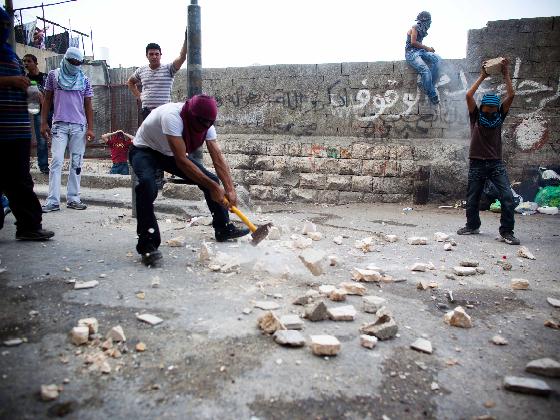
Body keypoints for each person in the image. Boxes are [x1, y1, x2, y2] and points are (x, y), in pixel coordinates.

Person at [129, 94, 249, 266]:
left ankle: (223, 229)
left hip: (167, 153)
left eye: (209, 124)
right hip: (143, 150)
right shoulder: (172, 116)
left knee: (211, 179)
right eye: (202, 124)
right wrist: (215, 187)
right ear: (192, 116)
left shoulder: (207, 124)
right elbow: (181, 161)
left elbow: (218, 158)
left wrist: (229, 189)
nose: (205, 127)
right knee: (147, 186)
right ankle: (147, 245)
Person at [0, 7, 54, 240]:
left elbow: (22, 84)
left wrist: (32, 91)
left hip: (17, 128)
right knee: (16, 179)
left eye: (6, 26)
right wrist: (12, 80)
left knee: (20, 179)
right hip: (3, 129)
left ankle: (29, 225)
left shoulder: (9, 53)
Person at [456, 58, 520, 245]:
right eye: (488, 108)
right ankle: (472, 225)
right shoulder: (475, 116)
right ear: (482, 107)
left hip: (495, 164)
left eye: (494, 108)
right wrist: (483, 76)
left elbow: (511, 95)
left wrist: (506, 74)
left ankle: (506, 231)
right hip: (476, 162)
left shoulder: (499, 116)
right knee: (473, 197)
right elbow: (468, 95)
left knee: (507, 197)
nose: (491, 111)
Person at [127, 35, 187, 189]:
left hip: (164, 115)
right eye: (151, 54)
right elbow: (130, 82)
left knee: (164, 145)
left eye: (156, 53)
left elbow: (182, 57)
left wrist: (187, 40)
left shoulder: (168, 69)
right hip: (147, 113)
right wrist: (139, 96)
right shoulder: (141, 71)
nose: (154, 56)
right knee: (148, 145)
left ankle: (162, 176)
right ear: (147, 56)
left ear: (161, 55)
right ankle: (153, 178)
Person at [40, 47, 94, 212]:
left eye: (78, 63)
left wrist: (90, 128)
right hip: (59, 126)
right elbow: (47, 99)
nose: (75, 65)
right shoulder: (53, 76)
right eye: (73, 62)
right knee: (56, 161)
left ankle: (73, 198)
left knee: (76, 163)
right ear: (67, 59)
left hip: (79, 127)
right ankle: (53, 201)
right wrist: (43, 123)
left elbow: (88, 105)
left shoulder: (84, 80)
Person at [405, 11, 441, 105]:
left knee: (437, 59)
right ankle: (431, 94)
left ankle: (425, 82)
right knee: (425, 70)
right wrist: (428, 48)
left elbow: (419, 45)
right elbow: (413, 42)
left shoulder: (423, 30)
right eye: (429, 22)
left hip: (420, 51)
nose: (429, 24)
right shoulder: (415, 27)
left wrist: (427, 50)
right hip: (411, 53)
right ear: (424, 20)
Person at [23, 53, 49, 174]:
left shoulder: (46, 77)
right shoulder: (25, 79)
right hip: (38, 112)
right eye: (25, 61)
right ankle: (44, 167)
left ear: (35, 63)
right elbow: (31, 101)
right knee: (42, 140)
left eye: (29, 61)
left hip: (52, 110)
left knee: (60, 137)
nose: (26, 64)